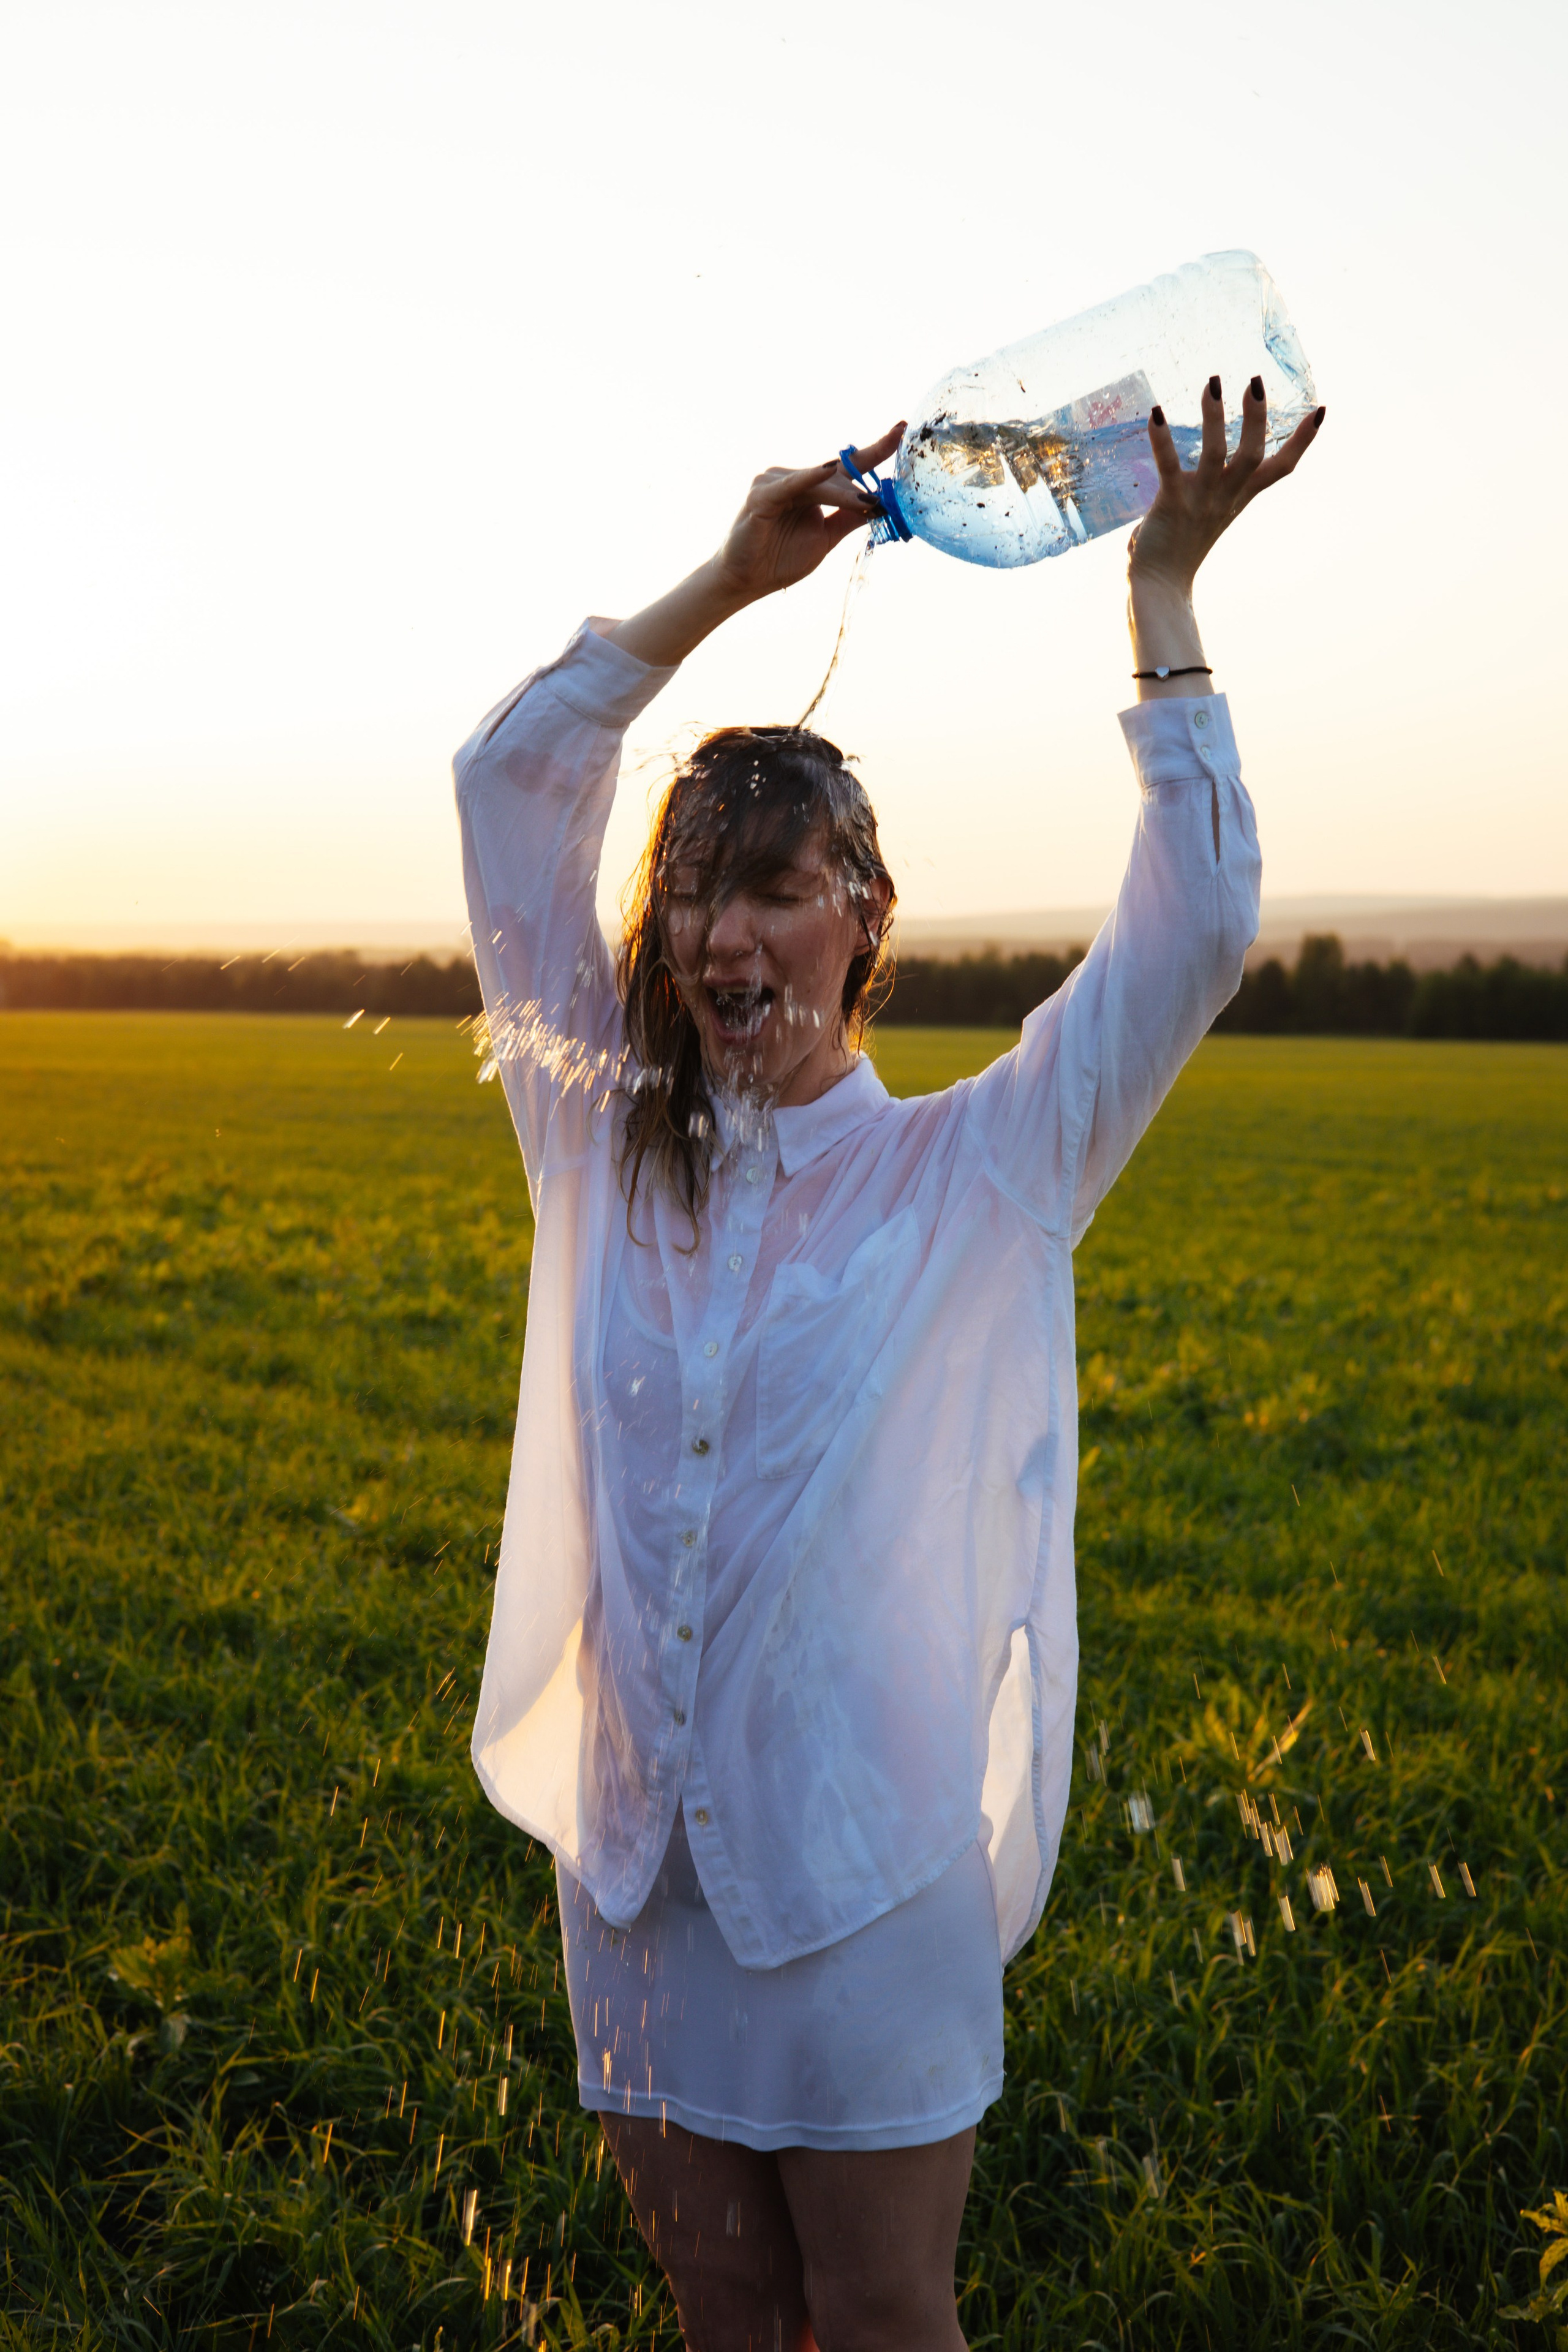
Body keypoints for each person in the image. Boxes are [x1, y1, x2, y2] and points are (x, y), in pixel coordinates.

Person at [454, 380, 1322, 2351]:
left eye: (776, 887)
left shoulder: (985, 1172)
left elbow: (1200, 925)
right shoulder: (592, 1138)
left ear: (862, 919)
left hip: (861, 1879)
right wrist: (719, 589)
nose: (725, 931)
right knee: (723, 2314)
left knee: (880, 2319)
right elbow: (509, 785)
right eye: (696, 888)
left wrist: (1164, 592)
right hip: (635, 1881)